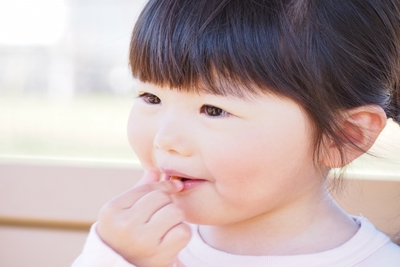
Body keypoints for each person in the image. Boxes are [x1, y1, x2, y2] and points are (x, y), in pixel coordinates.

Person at [72, 0, 400, 266]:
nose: (164, 139)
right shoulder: (137, 249)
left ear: (344, 136)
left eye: (213, 110)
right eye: (151, 97)